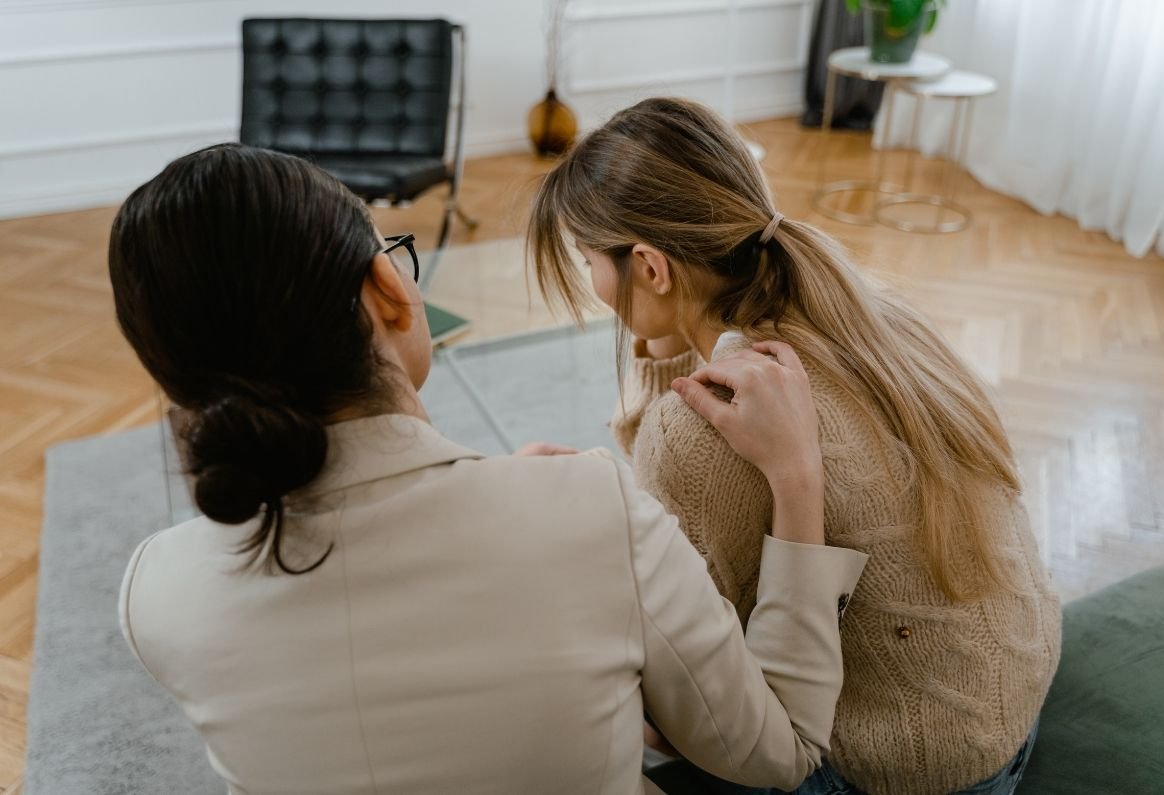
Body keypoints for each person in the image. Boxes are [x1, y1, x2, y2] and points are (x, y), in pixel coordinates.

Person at [110, 142, 869, 794]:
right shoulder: (591, 508)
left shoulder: (155, 591)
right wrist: (797, 475)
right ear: (387, 290)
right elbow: (780, 751)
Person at [528, 97, 1061, 795]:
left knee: (601, 679)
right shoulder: (864, 310)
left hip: (904, 770)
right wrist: (667, 341)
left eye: (588, 260)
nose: (594, 284)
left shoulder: (695, 432)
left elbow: (706, 691)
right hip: (1009, 699)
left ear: (651, 267)